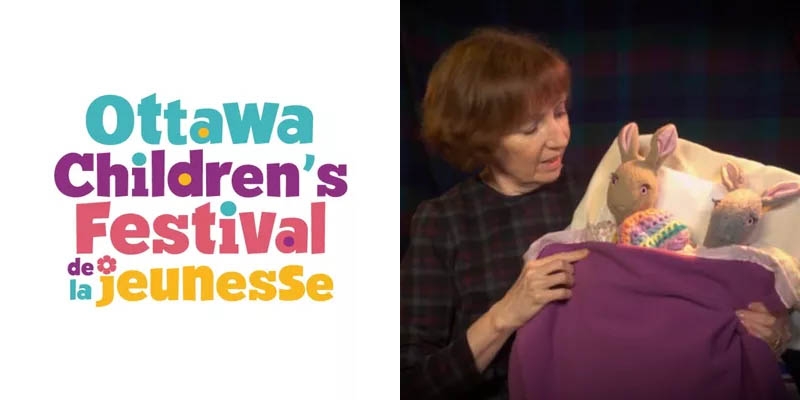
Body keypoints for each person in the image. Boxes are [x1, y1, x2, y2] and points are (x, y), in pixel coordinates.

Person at [399, 27, 792, 400]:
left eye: (559, 112)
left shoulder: (607, 193)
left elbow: (679, 297)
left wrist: (768, 332)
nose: (559, 137)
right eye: (530, 128)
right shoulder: (443, 223)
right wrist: (505, 314)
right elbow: (410, 384)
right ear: (480, 137)